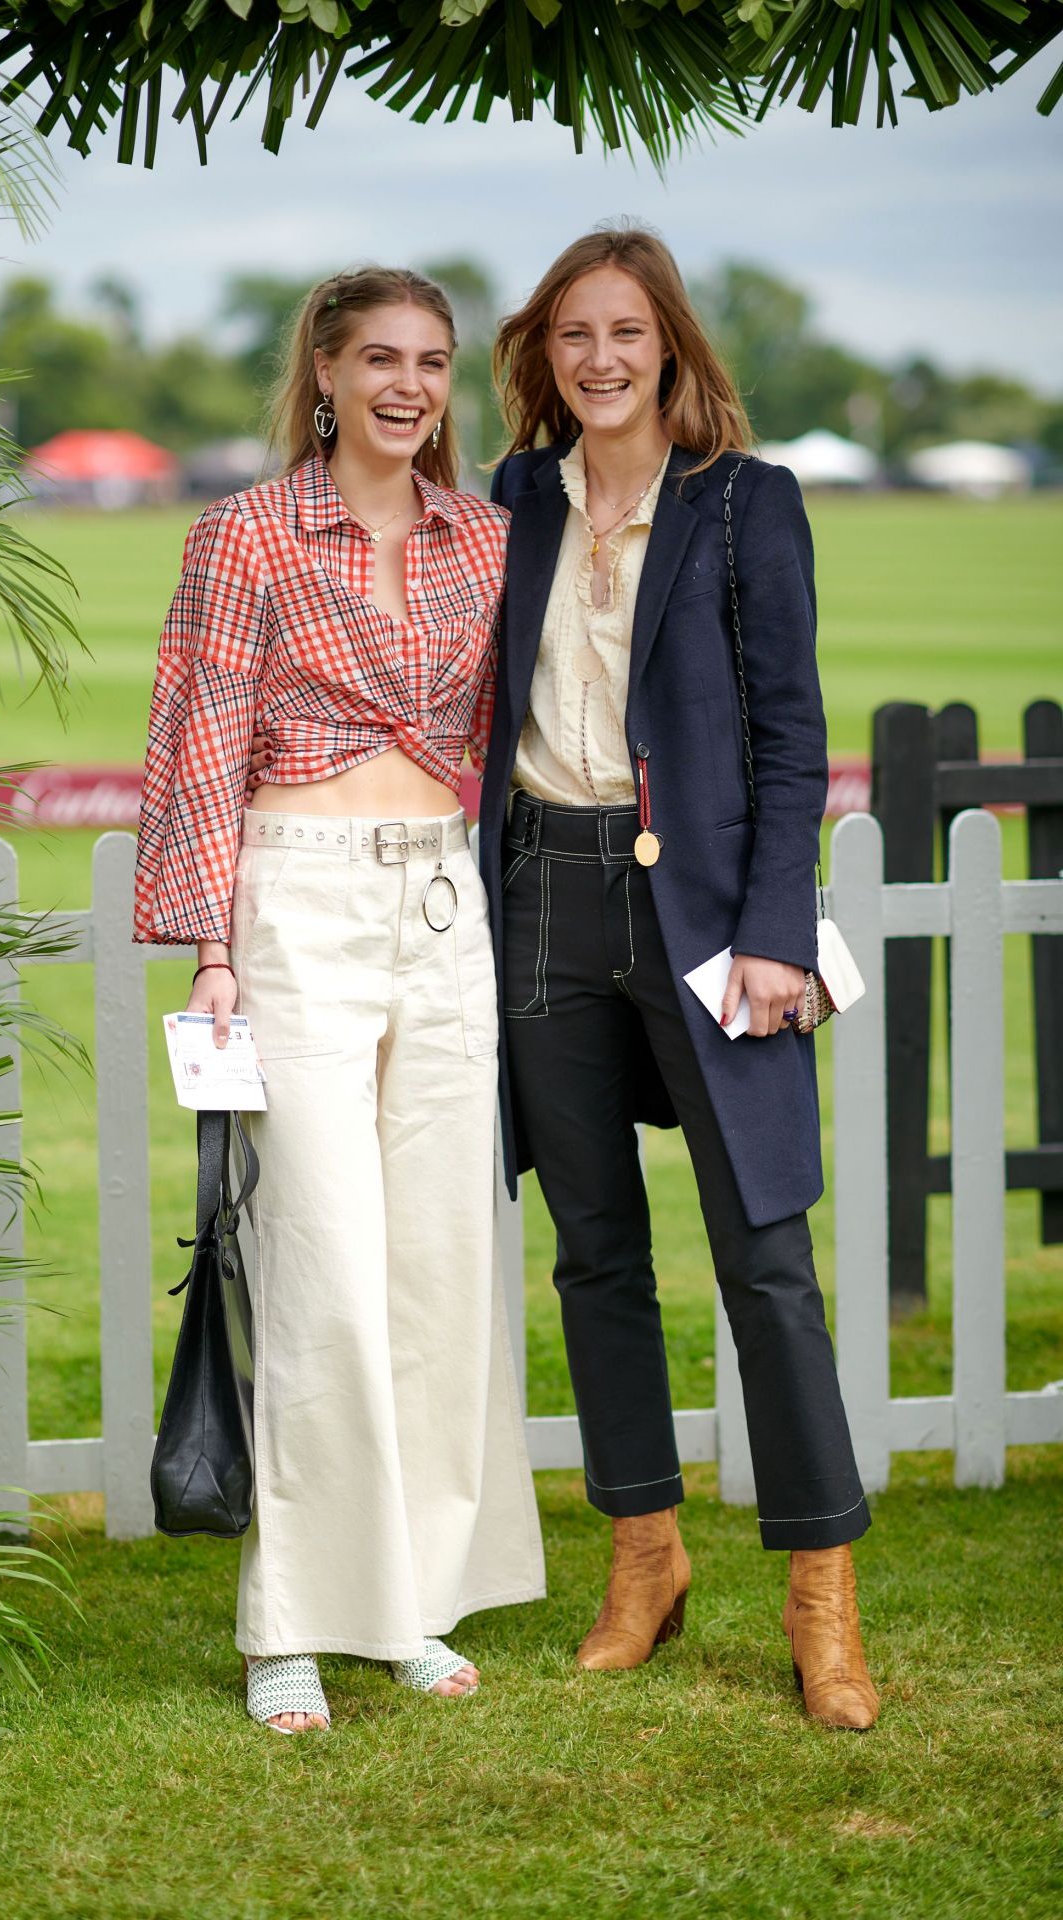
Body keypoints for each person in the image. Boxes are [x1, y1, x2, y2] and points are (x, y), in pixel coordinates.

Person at [134, 267, 545, 1735]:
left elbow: (505, 740)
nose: (408, 386)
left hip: (442, 905)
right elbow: (198, 738)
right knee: (317, 1259)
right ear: (323, 371)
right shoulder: (241, 534)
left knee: (439, 1261)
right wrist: (211, 952)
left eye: (432, 363)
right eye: (379, 357)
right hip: (293, 901)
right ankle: (294, 1621)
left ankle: (417, 1597)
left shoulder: (485, 538)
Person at [481, 227, 878, 1730]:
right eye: (572, 334)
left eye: (624, 334)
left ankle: (820, 1599)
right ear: (542, 351)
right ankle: (643, 1558)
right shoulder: (512, 497)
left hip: (714, 921)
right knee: (593, 1253)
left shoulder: (745, 508)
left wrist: (779, 927)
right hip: (541, 899)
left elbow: (795, 731)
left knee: (767, 1258)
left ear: (669, 348)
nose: (598, 359)